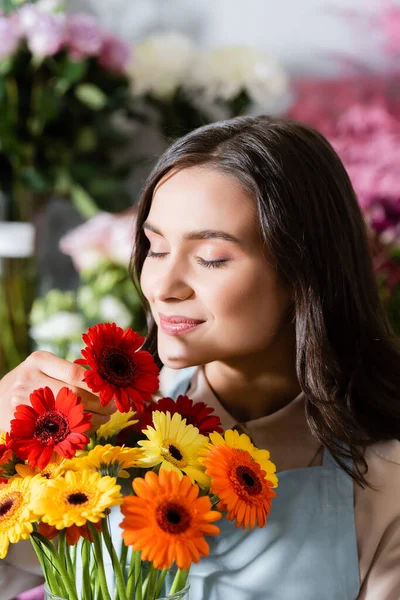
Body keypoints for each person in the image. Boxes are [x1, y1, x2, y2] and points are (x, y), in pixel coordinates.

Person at [1, 115, 400, 599]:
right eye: (155, 247)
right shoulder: (94, 428)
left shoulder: (385, 478)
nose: (163, 288)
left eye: (211, 257)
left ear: (305, 271)